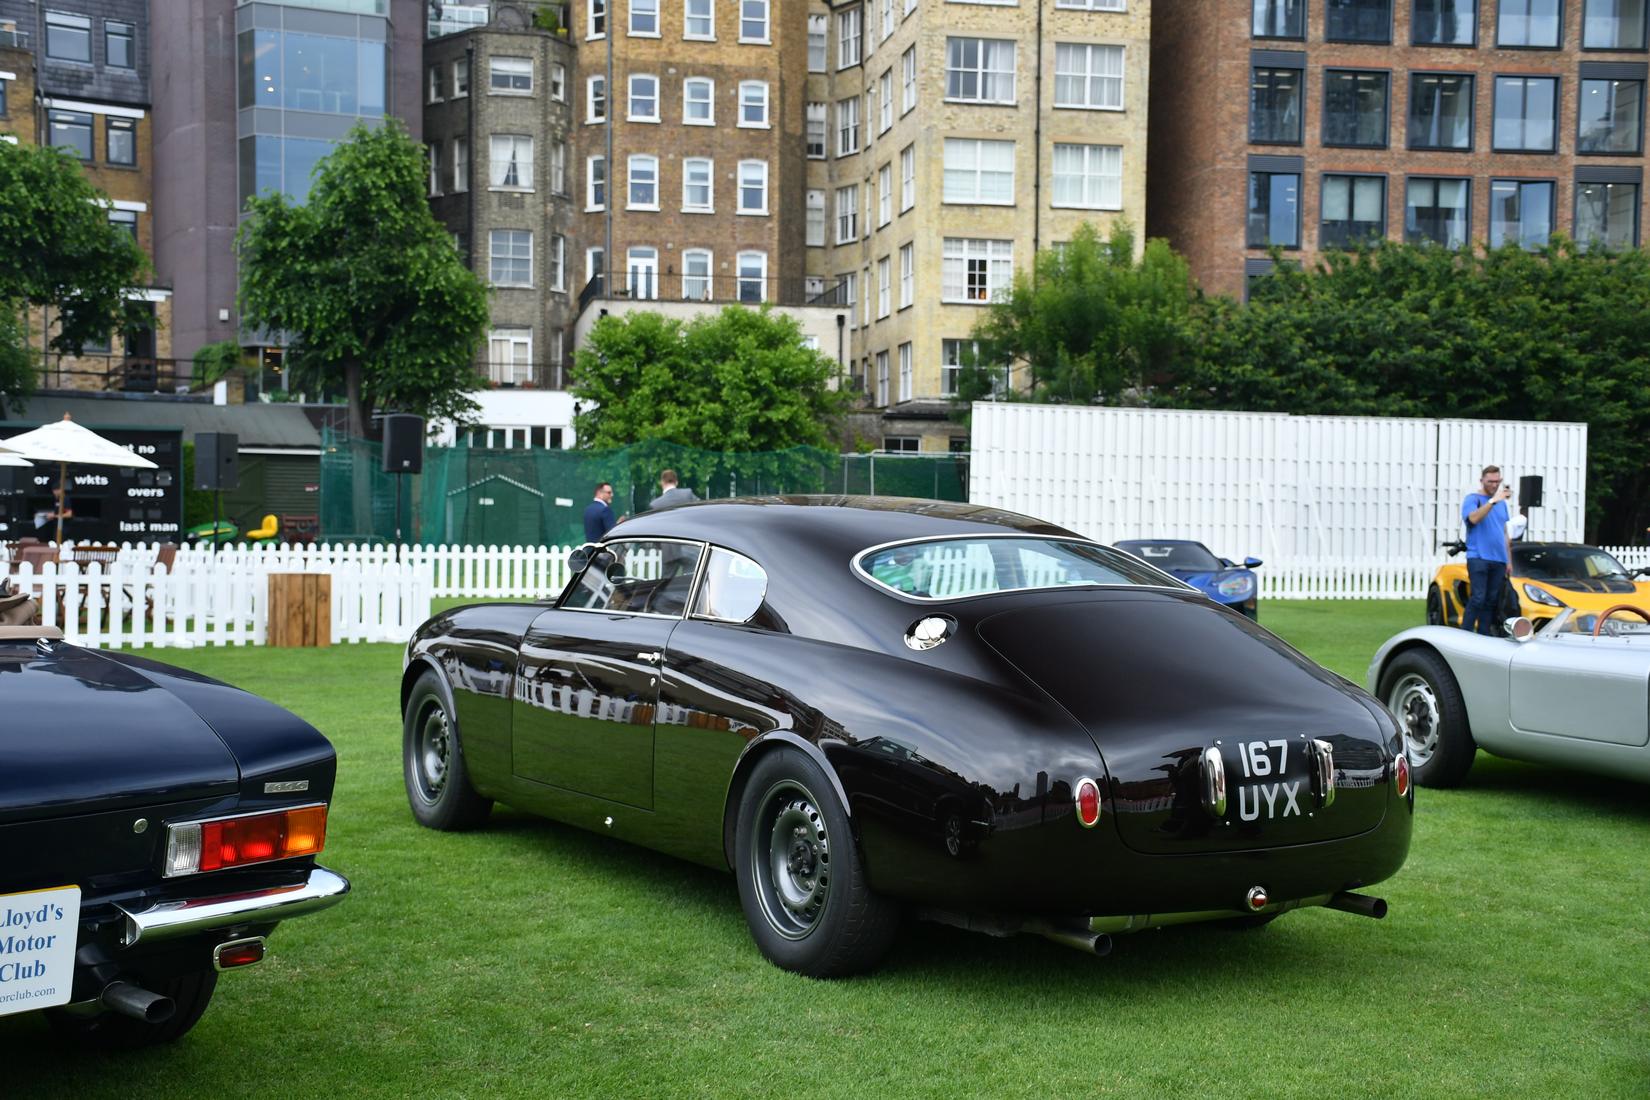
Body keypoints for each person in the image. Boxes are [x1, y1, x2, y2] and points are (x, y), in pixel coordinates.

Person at [1460, 465, 1513, 636]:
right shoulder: (1473, 499)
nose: (1494, 485)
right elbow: (1473, 519)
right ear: (1482, 480)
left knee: (1491, 600)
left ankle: (1483, 635)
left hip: (1498, 558)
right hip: (1478, 557)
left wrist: (1509, 560)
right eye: (1490, 481)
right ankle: (1465, 634)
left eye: (1497, 481)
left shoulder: (1502, 504)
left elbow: (1504, 532)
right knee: (1478, 598)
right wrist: (1492, 501)